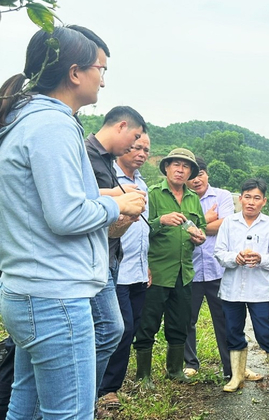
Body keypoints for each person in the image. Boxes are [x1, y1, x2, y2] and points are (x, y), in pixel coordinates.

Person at [0, 27, 145, 418]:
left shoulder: (23, 119)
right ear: (75, 73)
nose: (103, 78)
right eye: (101, 68)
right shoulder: (53, 124)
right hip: (56, 296)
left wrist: (105, 197)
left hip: (29, 289)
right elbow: (65, 216)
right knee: (70, 414)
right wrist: (119, 208)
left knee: (25, 406)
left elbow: (46, 200)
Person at [85, 105, 148, 400]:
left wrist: (126, 213)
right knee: (110, 329)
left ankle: (92, 397)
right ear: (122, 127)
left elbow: (107, 223)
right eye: (135, 139)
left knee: (111, 329)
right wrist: (122, 201)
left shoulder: (105, 161)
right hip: (90, 261)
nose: (134, 148)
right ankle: (89, 397)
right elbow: (79, 202)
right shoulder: (85, 155)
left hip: (109, 258)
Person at [134, 148, 207, 388]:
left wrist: (200, 237)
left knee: (180, 322)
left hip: (183, 272)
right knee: (148, 323)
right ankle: (143, 375)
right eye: (175, 164)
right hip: (156, 271)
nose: (180, 169)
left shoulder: (193, 198)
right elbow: (140, 230)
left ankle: (175, 370)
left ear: (191, 172)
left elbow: (201, 227)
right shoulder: (153, 194)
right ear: (166, 168)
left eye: (186, 166)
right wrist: (160, 221)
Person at [214, 178, 269, 395]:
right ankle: (237, 376)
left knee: (265, 332)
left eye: (256, 198)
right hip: (232, 288)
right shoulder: (228, 223)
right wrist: (235, 258)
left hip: (258, 290)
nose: (251, 202)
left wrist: (261, 259)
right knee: (234, 331)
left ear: (264, 201)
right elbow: (219, 252)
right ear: (240, 199)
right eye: (247, 197)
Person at [98, 133, 152, 410]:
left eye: (146, 149)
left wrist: (148, 265)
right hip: (115, 268)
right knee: (118, 328)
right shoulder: (110, 178)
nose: (142, 153)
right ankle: (105, 389)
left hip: (139, 271)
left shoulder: (142, 183)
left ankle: (111, 385)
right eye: (137, 147)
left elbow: (143, 229)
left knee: (129, 329)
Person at [183, 157, 235, 379]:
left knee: (224, 320)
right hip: (190, 270)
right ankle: (190, 363)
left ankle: (229, 368)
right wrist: (207, 221)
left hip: (217, 270)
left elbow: (226, 225)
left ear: (207, 174)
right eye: (191, 176)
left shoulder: (222, 196)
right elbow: (180, 228)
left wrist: (195, 225)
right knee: (187, 320)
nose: (196, 180)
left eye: (200, 173)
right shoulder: (182, 199)